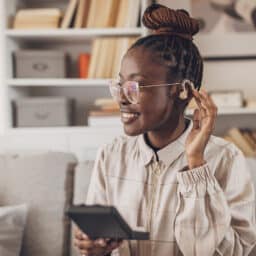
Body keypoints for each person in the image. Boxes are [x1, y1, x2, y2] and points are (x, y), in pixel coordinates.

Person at [74, 3, 256, 256]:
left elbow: (237, 252)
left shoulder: (226, 159)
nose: (121, 99)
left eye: (135, 86)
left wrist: (196, 167)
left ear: (182, 90)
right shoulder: (111, 155)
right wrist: (95, 250)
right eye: (119, 85)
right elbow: (99, 242)